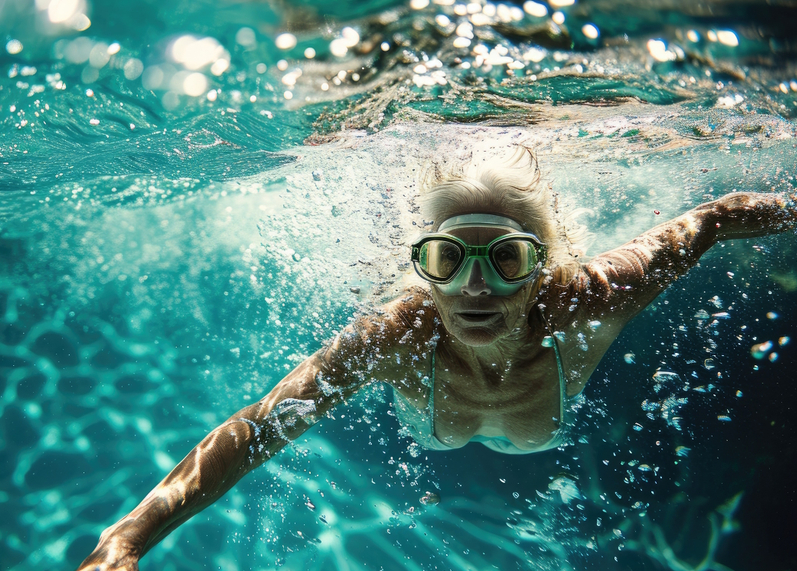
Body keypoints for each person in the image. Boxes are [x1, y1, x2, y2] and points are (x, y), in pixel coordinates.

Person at [77, 147, 796, 570]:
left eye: (507, 259)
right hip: (441, 437)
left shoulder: (590, 296)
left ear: (542, 268)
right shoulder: (395, 335)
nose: (476, 285)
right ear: (422, 267)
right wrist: (130, 534)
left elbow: (715, 218)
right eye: (448, 258)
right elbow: (262, 425)